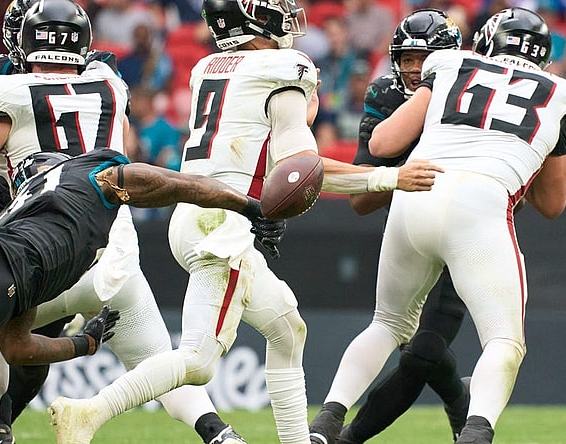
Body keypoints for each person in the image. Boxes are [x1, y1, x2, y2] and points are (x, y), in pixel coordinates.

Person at [48, 1, 442, 443]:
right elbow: (304, 166)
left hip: (195, 211)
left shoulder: (210, 65)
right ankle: (89, 411)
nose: (288, 17)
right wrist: (389, 176)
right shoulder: (282, 67)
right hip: (223, 226)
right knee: (198, 361)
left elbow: (273, 151)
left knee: (287, 328)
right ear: (254, 18)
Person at [0, 2, 260, 443]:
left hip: (44, 256)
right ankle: (219, 435)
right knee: (156, 360)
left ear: (24, 42)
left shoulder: (8, 92)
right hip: (113, 259)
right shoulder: (110, 84)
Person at [307, 7, 566, 444]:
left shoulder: (450, 66)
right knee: (503, 341)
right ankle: (475, 433)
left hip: (416, 195)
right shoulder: (560, 92)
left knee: (386, 323)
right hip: (482, 208)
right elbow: (551, 204)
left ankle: (325, 423)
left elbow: (382, 143)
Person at [309, 9, 470, 444]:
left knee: (424, 351)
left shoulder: (475, 93)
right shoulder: (386, 93)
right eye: (407, 58)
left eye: (425, 58)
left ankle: (348, 436)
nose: (414, 69)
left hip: (466, 232)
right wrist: (401, 174)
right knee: (399, 335)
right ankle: (331, 423)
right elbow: (362, 199)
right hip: (409, 231)